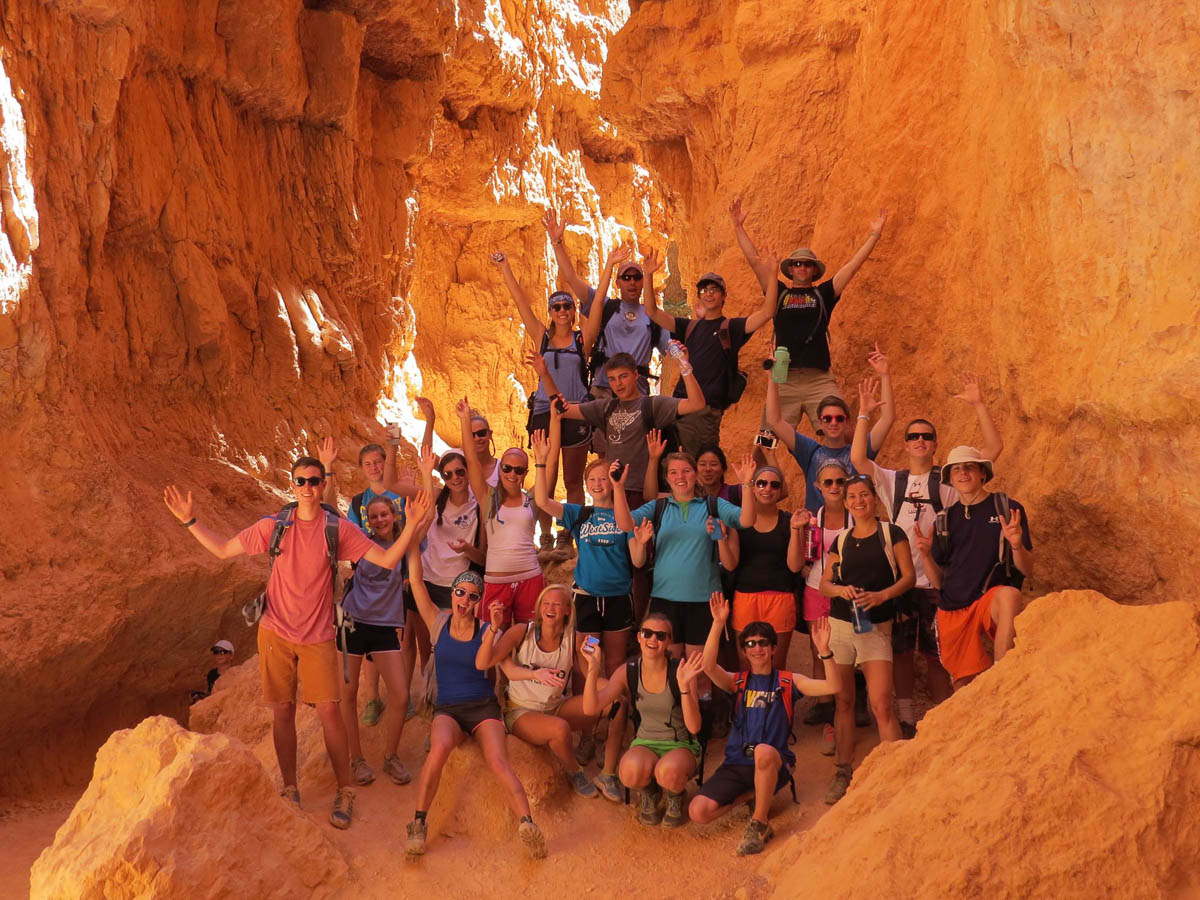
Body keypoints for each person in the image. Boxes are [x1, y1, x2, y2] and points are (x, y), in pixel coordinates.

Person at [162, 462, 426, 829]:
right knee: (282, 711)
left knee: (330, 713)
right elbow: (223, 550)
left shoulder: (337, 529)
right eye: (301, 480)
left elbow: (384, 559)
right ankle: (290, 788)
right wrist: (190, 522)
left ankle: (344, 788)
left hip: (317, 636)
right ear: (292, 484)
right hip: (275, 633)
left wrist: (411, 525)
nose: (307, 486)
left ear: (322, 485)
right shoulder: (274, 527)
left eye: (314, 481)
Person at [851, 374, 1004, 734]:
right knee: (902, 654)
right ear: (905, 444)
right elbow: (858, 459)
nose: (919, 440)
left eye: (926, 436)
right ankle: (906, 719)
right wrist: (863, 414)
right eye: (913, 436)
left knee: (939, 654)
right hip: (901, 583)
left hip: (938, 582)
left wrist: (979, 404)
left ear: (936, 444)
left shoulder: (951, 479)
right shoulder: (894, 481)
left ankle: (944, 719)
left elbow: (993, 451)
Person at [404, 548, 547, 859]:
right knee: (439, 748)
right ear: (452, 593)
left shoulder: (487, 630)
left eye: (471, 596)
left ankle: (528, 824)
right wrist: (413, 537)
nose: (464, 601)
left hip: (483, 708)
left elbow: (505, 668)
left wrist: (537, 675)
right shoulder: (437, 622)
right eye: (460, 592)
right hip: (449, 709)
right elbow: (416, 582)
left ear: (479, 601)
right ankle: (418, 823)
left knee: (497, 760)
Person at [493, 248, 622, 559]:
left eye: (567, 307)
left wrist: (608, 265)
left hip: (576, 413)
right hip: (542, 412)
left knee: (573, 480)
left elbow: (600, 302)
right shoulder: (542, 337)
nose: (563, 311)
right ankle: (547, 535)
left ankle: (569, 535)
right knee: (545, 479)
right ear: (550, 312)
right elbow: (521, 303)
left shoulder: (582, 339)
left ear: (573, 313)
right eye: (557, 307)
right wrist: (505, 266)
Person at [691, 594, 841, 855]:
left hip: (773, 759)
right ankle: (755, 795)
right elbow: (708, 665)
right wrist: (718, 623)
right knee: (698, 812)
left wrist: (825, 651)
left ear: (773, 648)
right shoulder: (737, 682)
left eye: (763, 643)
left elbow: (834, 686)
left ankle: (759, 823)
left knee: (762, 751)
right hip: (737, 762)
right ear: (745, 651)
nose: (757, 648)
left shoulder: (788, 681)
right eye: (750, 643)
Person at [731, 198, 888, 430]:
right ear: (790, 269)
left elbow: (852, 266)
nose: (802, 267)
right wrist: (738, 227)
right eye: (797, 264)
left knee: (841, 432)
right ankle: (758, 469)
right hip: (783, 378)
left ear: (814, 270)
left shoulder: (824, 294)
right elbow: (755, 263)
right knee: (767, 440)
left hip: (819, 379)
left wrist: (874, 235)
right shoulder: (780, 293)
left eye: (807, 264)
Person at [818, 475, 914, 805]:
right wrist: (841, 589)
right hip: (841, 626)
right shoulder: (841, 541)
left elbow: (908, 577)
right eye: (852, 497)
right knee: (843, 701)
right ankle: (843, 770)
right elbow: (825, 585)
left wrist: (881, 596)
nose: (858, 501)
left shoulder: (891, 533)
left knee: (881, 703)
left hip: (876, 626)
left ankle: (898, 770)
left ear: (874, 498)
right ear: (845, 504)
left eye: (864, 495)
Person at [912, 447, 1033, 689]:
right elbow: (938, 583)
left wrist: (1017, 545)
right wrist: (925, 555)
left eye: (969, 467)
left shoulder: (1007, 509)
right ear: (950, 478)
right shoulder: (945, 519)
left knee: (1010, 595)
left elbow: (1027, 570)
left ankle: (1003, 676)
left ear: (982, 473)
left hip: (988, 598)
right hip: (953, 606)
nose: (963, 473)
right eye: (956, 469)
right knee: (963, 685)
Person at [640, 247, 778, 455]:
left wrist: (773, 275)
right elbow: (652, 311)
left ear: (724, 296)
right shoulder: (689, 327)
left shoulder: (731, 328)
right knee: (671, 466)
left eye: (714, 289)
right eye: (704, 290)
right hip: (677, 406)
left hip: (704, 412)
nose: (709, 294)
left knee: (697, 467)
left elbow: (767, 311)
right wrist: (648, 275)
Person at [474, 583, 606, 800]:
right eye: (545, 603)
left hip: (555, 706)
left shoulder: (575, 637)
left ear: (567, 610)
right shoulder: (521, 632)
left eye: (556, 604)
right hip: (521, 711)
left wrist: (608, 678)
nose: (550, 608)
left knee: (609, 703)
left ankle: (609, 773)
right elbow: (483, 663)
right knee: (560, 729)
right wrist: (494, 627)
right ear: (538, 608)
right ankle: (576, 771)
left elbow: (591, 673)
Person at [617, 452, 741, 666]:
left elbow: (747, 519)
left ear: (695, 474)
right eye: (673, 472)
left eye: (686, 471)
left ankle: (700, 701)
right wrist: (618, 488)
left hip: (705, 600)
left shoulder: (712, 505)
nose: (680, 477)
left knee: (699, 670)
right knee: (668, 667)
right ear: (666, 478)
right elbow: (625, 524)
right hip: (665, 600)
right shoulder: (658, 507)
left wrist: (746, 485)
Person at [581, 614, 705, 828]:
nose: (652, 640)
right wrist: (593, 669)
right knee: (628, 772)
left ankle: (675, 795)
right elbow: (591, 708)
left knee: (668, 772)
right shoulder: (628, 671)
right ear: (639, 637)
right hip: (645, 743)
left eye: (660, 635)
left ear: (668, 641)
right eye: (647, 633)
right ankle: (650, 791)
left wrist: (685, 687)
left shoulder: (680, 671)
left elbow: (694, 726)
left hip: (681, 744)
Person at [338, 495, 428, 788]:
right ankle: (356, 759)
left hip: (385, 624)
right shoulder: (360, 541)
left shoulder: (405, 543)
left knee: (400, 695)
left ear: (393, 515)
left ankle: (390, 756)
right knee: (348, 695)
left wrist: (426, 480)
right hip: (353, 622)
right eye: (374, 516)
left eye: (384, 515)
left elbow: (416, 543)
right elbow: (335, 519)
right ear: (368, 520)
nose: (379, 520)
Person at [545, 211, 669, 419]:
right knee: (603, 449)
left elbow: (673, 351)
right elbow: (571, 278)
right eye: (626, 277)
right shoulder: (606, 307)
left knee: (633, 447)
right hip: (603, 388)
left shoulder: (654, 317)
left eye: (637, 277)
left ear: (643, 280)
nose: (631, 282)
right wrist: (557, 242)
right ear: (617, 282)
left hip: (637, 392)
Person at [564, 348, 705, 507]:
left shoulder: (652, 405)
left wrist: (683, 365)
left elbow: (697, 403)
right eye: (612, 379)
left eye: (623, 377)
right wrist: (545, 374)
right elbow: (562, 410)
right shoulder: (606, 407)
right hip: (611, 491)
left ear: (636, 375)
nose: (618, 384)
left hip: (641, 493)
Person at [766, 352, 895, 512]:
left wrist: (885, 375)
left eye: (839, 418)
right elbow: (775, 421)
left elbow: (887, 419)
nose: (833, 423)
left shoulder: (860, 452)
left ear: (847, 422)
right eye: (827, 419)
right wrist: (772, 379)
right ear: (820, 422)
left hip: (851, 529)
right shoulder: (809, 451)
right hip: (817, 530)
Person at [458, 397, 543, 629]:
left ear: (525, 472)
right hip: (496, 581)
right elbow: (472, 461)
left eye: (518, 469)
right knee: (492, 640)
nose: (511, 474)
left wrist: (543, 455)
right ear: (500, 470)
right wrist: (465, 420)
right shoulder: (488, 498)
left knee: (528, 640)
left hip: (530, 578)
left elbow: (552, 470)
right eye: (506, 468)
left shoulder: (532, 499)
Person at [408, 449, 484, 700]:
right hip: (428, 581)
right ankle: (430, 699)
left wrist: (467, 549)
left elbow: (483, 555)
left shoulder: (479, 504)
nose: (455, 477)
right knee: (426, 647)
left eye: (460, 471)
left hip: (457, 586)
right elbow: (425, 519)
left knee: (453, 647)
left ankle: (454, 698)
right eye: (448, 474)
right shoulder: (439, 499)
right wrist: (426, 474)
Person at [791, 460, 854, 744]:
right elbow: (802, 556)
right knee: (820, 652)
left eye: (840, 482)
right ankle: (829, 715)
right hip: (816, 590)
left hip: (846, 592)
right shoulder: (811, 518)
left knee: (849, 652)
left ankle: (848, 709)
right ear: (817, 486)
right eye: (828, 482)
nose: (834, 487)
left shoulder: (857, 515)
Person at [728, 457, 800, 671]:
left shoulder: (789, 521)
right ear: (753, 487)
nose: (767, 488)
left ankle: (777, 705)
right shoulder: (738, 520)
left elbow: (795, 566)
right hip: (745, 597)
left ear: (780, 491)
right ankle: (747, 705)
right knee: (745, 662)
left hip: (780, 597)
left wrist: (797, 530)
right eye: (761, 483)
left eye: (774, 484)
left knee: (776, 663)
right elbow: (731, 563)